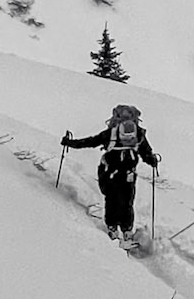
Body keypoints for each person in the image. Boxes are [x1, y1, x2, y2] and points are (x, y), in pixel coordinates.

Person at [62, 104, 159, 244]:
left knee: (114, 201)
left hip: (110, 173)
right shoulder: (138, 134)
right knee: (126, 202)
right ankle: (126, 230)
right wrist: (152, 160)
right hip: (127, 174)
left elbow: (91, 141)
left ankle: (114, 228)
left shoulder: (111, 134)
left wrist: (70, 143)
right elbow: (145, 152)